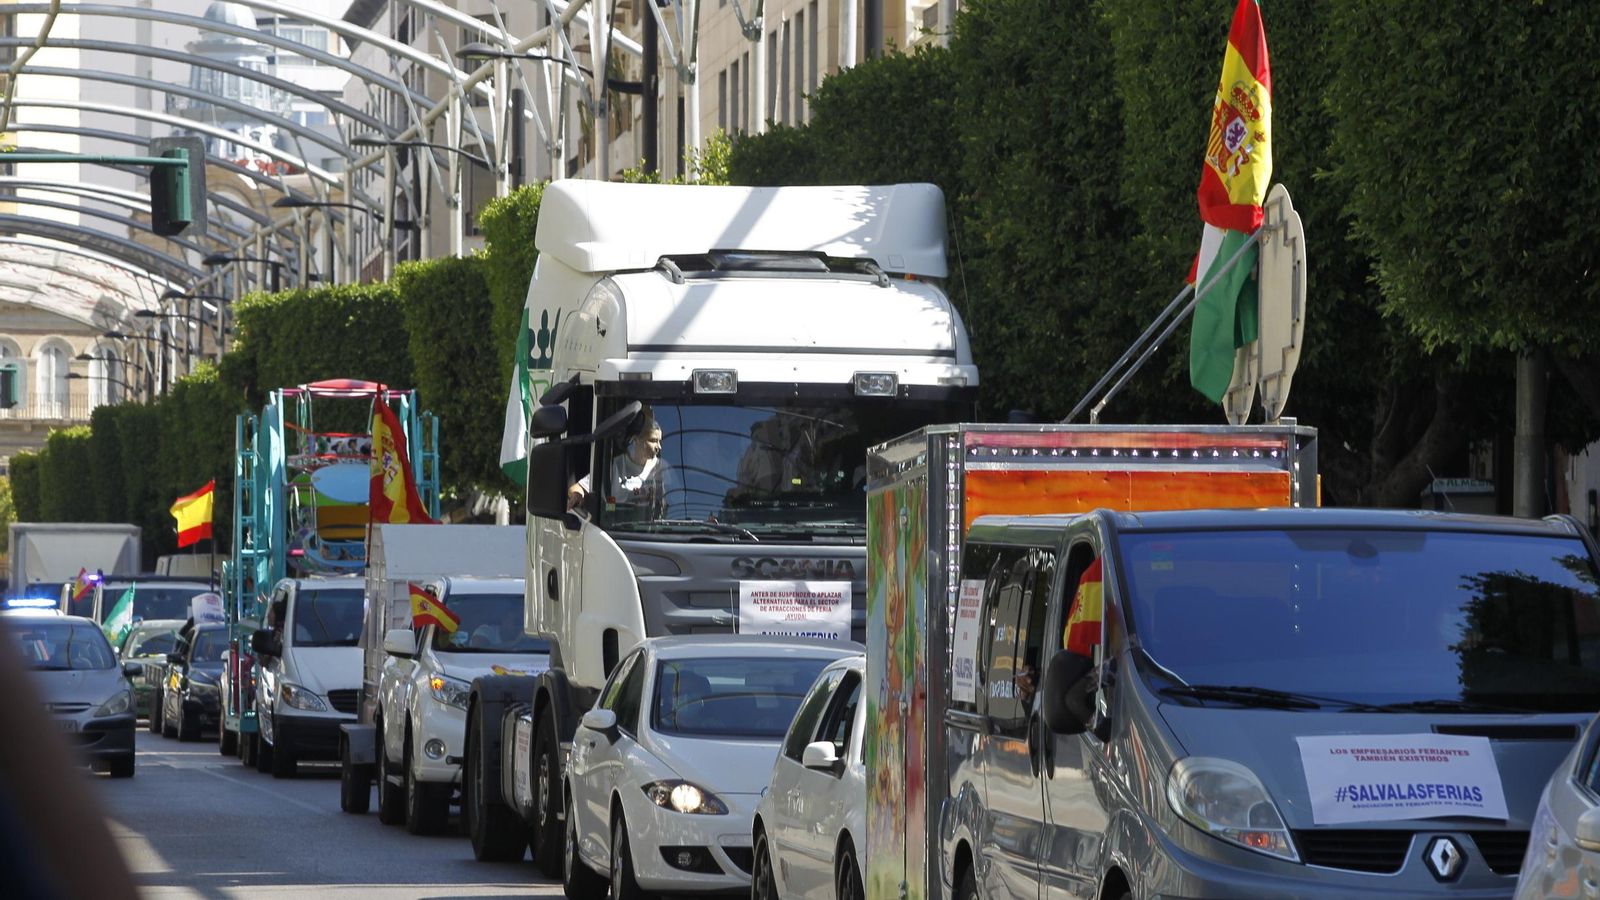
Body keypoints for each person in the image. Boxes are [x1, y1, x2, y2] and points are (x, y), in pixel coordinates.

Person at [567, 413, 670, 512]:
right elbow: (577, 488)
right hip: (617, 521)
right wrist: (577, 495)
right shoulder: (615, 465)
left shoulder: (662, 467)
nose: (659, 447)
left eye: (660, 441)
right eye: (653, 440)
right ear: (636, 440)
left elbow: (675, 498)